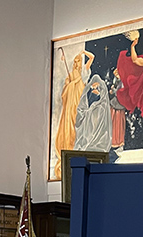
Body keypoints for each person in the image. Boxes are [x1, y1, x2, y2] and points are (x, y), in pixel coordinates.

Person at [53, 48, 95, 179]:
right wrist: (70, 84)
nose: (77, 63)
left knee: (79, 125)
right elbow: (64, 93)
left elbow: (92, 57)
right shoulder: (70, 76)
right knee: (69, 126)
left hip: (79, 104)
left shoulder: (84, 72)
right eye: (75, 61)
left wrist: (83, 52)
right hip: (70, 106)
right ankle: (69, 148)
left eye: (79, 61)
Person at [73, 74, 111, 153]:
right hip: (88, 117)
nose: (95, 87)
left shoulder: (102, 98)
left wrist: (94, 106)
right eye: (94, 85)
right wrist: (88, 111)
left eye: (97, 85)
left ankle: (95, 142)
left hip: (97, 115)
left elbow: (102, 103)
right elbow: (83, 106)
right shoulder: (88, 92)